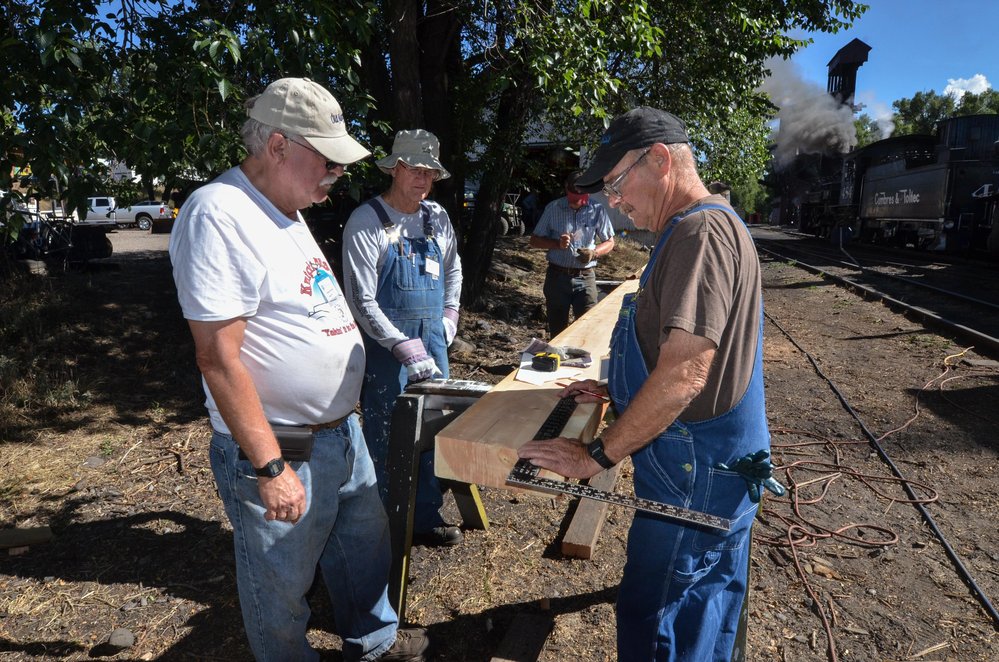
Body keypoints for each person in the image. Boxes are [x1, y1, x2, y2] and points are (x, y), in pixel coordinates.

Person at [168, 78, 429, 662]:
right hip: (283, 438)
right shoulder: (220, 212)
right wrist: (270, 464)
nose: (337, 173)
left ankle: (375, 642)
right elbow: (216, 356)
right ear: (279, 145)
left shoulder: (285, 209)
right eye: (328, 159)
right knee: (279, 578)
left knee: (362, 547)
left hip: (339, 428)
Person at [518, 107, 779, 661]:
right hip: (722, 464)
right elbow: (685, 353)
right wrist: (622, 391)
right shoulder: (705, 226)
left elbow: (687, 373)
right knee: (705, 604)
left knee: (653, 611)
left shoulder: (699, 233)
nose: (612, 201)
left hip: (697, 471)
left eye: (616, 183)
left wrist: (595, 455)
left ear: (659, 160)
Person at [341, 129, 464, 547]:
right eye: (414, 168)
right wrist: (401, 345)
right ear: (395, 168)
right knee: (387, 432)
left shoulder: (437, 217)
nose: (422, 179)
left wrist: (449, 315)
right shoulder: (367, 221)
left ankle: (425, 516)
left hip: (433, 340)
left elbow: (454, 271)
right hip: (386, 349)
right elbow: (359, 298)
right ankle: (384, 524)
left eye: (430, 171)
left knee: (433, 430)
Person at [529, 170, 615, 337]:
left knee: (587, 330)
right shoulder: (553, 208)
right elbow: (534, 240)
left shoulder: (596, 210)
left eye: (581, 198)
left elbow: (610, 242)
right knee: (557, 331)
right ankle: (559, 361)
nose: (577, 202)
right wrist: (556, 244)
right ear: (566, 189)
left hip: (585, 277)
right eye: (574, 197)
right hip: (557, 278)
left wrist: (594, 253)